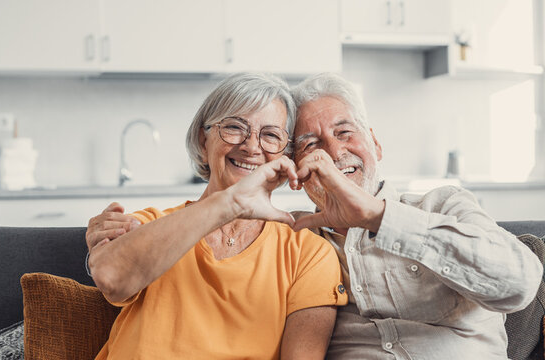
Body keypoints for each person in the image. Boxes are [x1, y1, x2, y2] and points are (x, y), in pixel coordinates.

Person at [85, 72, 348, 360]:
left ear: (285, 155)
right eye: (234, 127)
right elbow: (112, 277)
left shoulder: (307, 254)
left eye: (270, 135)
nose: (251, 146)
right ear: (203, 138)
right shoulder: (152, 225)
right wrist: (228, 204)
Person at [286, 73, 544, 359]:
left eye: (345, 132)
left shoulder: (444, 204)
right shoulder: (293, 240)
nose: (334, 153)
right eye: (311, 145)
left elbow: (519, 284)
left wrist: (378, 217)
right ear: (294, 172)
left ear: (375, 143)